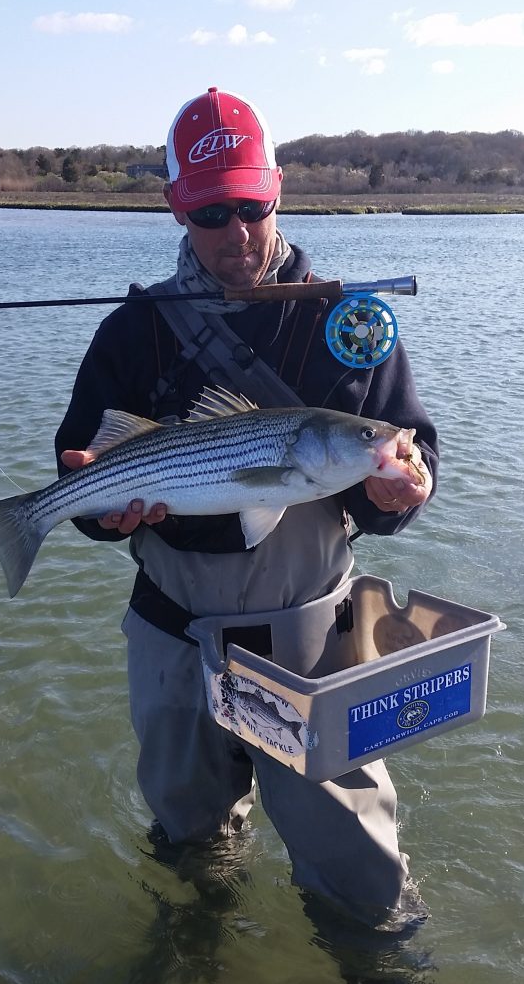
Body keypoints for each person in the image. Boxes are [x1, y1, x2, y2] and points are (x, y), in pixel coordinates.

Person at [55, 87, 439, 932]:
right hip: (172, 635)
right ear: (175, 208)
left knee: (362, 882)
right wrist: (93, 508)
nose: (237, 234)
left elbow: (412, 454)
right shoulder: (133, 331)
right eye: (211, 214)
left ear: (279, 189)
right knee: (190, 851)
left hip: (313, 641)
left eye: (253, 208)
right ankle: (196, 983)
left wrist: (404, 487)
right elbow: (80, 464)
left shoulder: (353, 322)